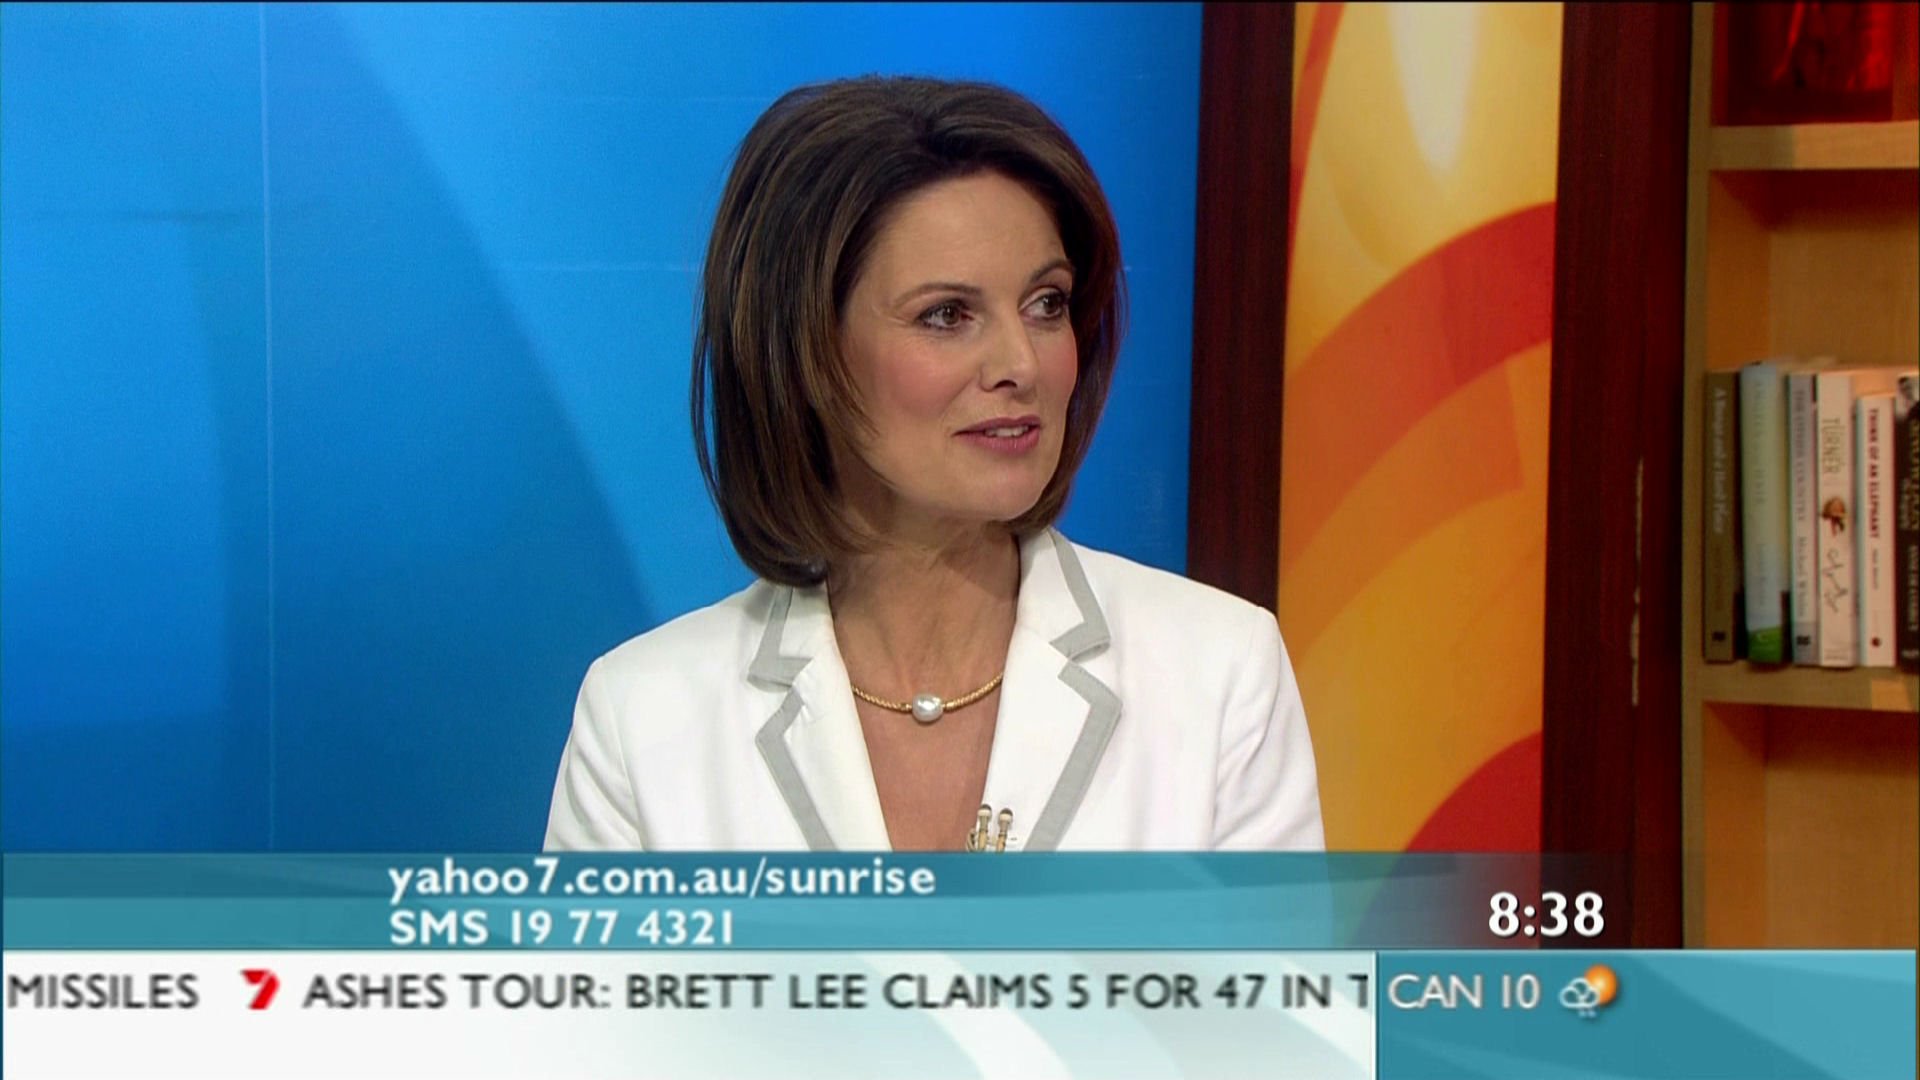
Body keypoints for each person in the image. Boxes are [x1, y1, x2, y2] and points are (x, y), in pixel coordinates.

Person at [545, 76, 1323, 852]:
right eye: (947, 315)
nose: (1021, 364)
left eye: (1046, 304)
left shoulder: (1219, 673)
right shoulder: (644, 722)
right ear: (805, 350)